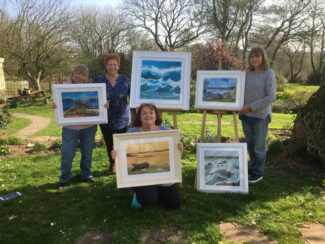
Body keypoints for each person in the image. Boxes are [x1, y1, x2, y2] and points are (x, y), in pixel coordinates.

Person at [112, 103, 183, 210]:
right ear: (139, 117)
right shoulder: (132, 132)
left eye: (151, 112)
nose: (148, 115)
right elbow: (123, 153)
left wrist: (179, 149)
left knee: (174, 204)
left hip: (164, 177)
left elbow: (173, 154)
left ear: (156, 115)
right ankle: (140, 194)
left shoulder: (165, 130)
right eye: (144, 113)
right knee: (149, 199)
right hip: (141, 176)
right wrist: (116, 155)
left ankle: (156, 190)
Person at [54, 64, 102, 188]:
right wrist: (55, 106)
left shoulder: (92, 87)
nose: (80, 76)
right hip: (70, 127)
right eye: (78, 73)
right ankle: (65, 177)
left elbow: (98, 103)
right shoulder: (63, 87)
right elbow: (58, 104)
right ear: (73, 73)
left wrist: (104, 105)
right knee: (67, 153)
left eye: (83, 74)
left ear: (86, 77)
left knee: (87, 152)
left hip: (89, 126)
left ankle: (86, 174)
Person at [239, 47, 276, 184]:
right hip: (245, 115)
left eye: (258, 56)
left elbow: (271, 96)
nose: (255, 59)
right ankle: (253, 168)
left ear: (263, 58)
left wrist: (251, 107)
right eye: (252, 57)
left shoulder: (269, 73)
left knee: (258, 146)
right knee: (250, 144)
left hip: (260, 115)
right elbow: (238, 91)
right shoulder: (245, 73)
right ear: (249, 58)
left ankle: (258, 172)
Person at [93, 53, 130, 174]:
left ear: (118, 66)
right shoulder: (99, 80)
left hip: (123, 118)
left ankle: (124, 165)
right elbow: (92, 98)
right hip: (106, 119)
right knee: (110, 143)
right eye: (110, 65)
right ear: (106, 66)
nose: (112, 67)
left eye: (115, 65)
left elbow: (133, 95)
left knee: (122, 143)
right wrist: (100, 103)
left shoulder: (124, 79)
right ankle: (112, 164)